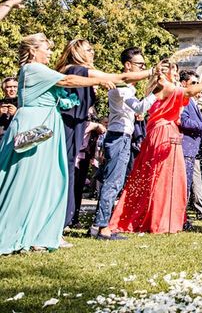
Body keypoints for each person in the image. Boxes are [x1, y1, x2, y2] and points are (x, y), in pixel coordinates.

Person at [0, 33, 113, 254]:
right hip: (34, 126)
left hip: (46, 127)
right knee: (24, 180)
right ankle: (14, 231)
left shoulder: (42, 71)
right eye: (46, 48)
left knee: (42, 182)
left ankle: (34, 234)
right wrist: (101, 79)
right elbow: (67, 81)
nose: (51, 52)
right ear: (33, 51)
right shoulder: (33, 69)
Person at [108, 64, 202, 234]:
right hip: (163, 133)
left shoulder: (165, 86)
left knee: (163, 177)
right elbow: (189, 92)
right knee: (161, 177)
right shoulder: (165, 85)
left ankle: (161, 216)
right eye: (174, 71)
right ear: (164, 72)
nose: (176, 74)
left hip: (166, 131)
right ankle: (158, 219)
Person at [55, 39, 155, 228]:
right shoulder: (77, 71)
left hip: (81, 125)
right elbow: (135, 100)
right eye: (89, 49)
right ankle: (99, 225)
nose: (93, 52)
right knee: (110, 181)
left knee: (78, 173)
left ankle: (70, 219)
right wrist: (154, 81)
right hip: (107, 133)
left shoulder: (86, 75)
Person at [90, 47, 162, 240]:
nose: (142, 68)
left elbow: (135, 110)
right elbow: (140, 106)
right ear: (127, 66)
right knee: (112, 182)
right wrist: (157, 93)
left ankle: (100, 224)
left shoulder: (128, 88)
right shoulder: (121, 87)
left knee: (116, 181)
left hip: (123, 135)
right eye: (140, 65)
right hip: (117, 137)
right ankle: (101, 227)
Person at [178, 70, 202, 225]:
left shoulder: (193, 103)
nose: (197, 86)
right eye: (194, 83)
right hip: (186, 147)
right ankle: (181, 218)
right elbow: (185, 123)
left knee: (189, 184)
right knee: (184, 185)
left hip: (194, 148)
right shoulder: (183, 101)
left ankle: (183, 216)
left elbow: (199, 128)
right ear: (183, 84)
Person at [0, 77, 18, 141]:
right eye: (9, 87)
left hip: (16, 137)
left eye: (15, 87)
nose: (12, 89)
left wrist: (17, 113)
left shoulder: (23, 103)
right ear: (4, 89)